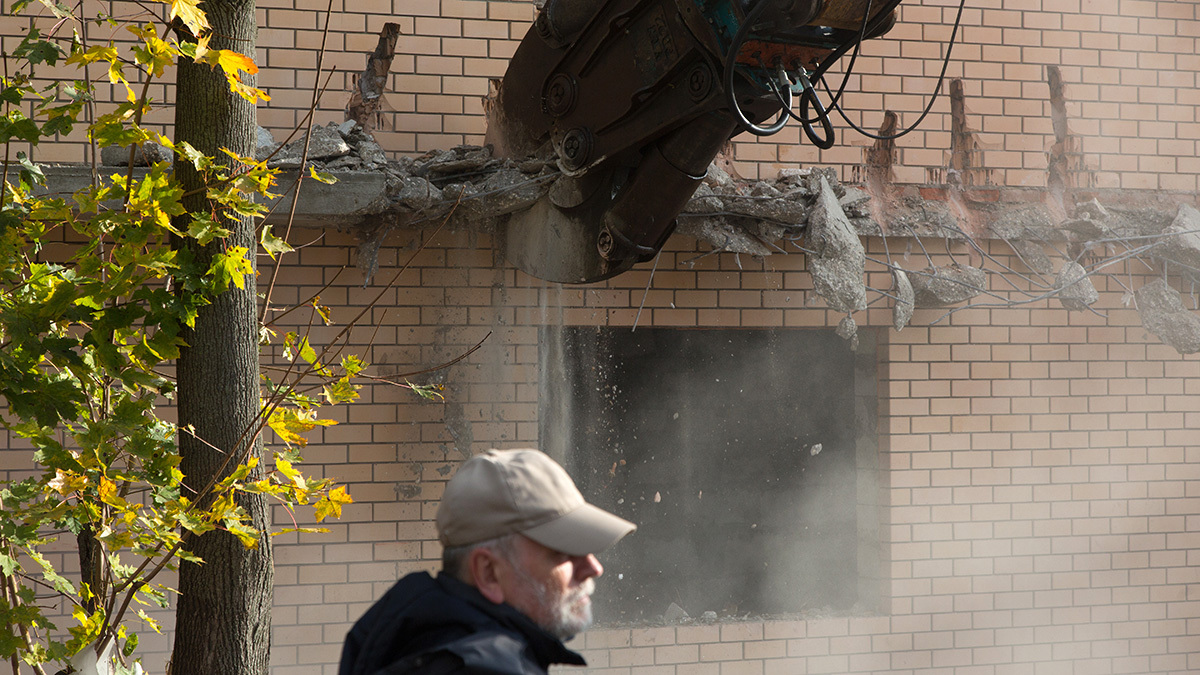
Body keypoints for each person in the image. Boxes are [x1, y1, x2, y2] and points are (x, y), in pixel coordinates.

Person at [339, 448, 636, 675]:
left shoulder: (407, 641)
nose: (593, 568)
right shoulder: (486, 667)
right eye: (562, 552)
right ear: (489, 572)